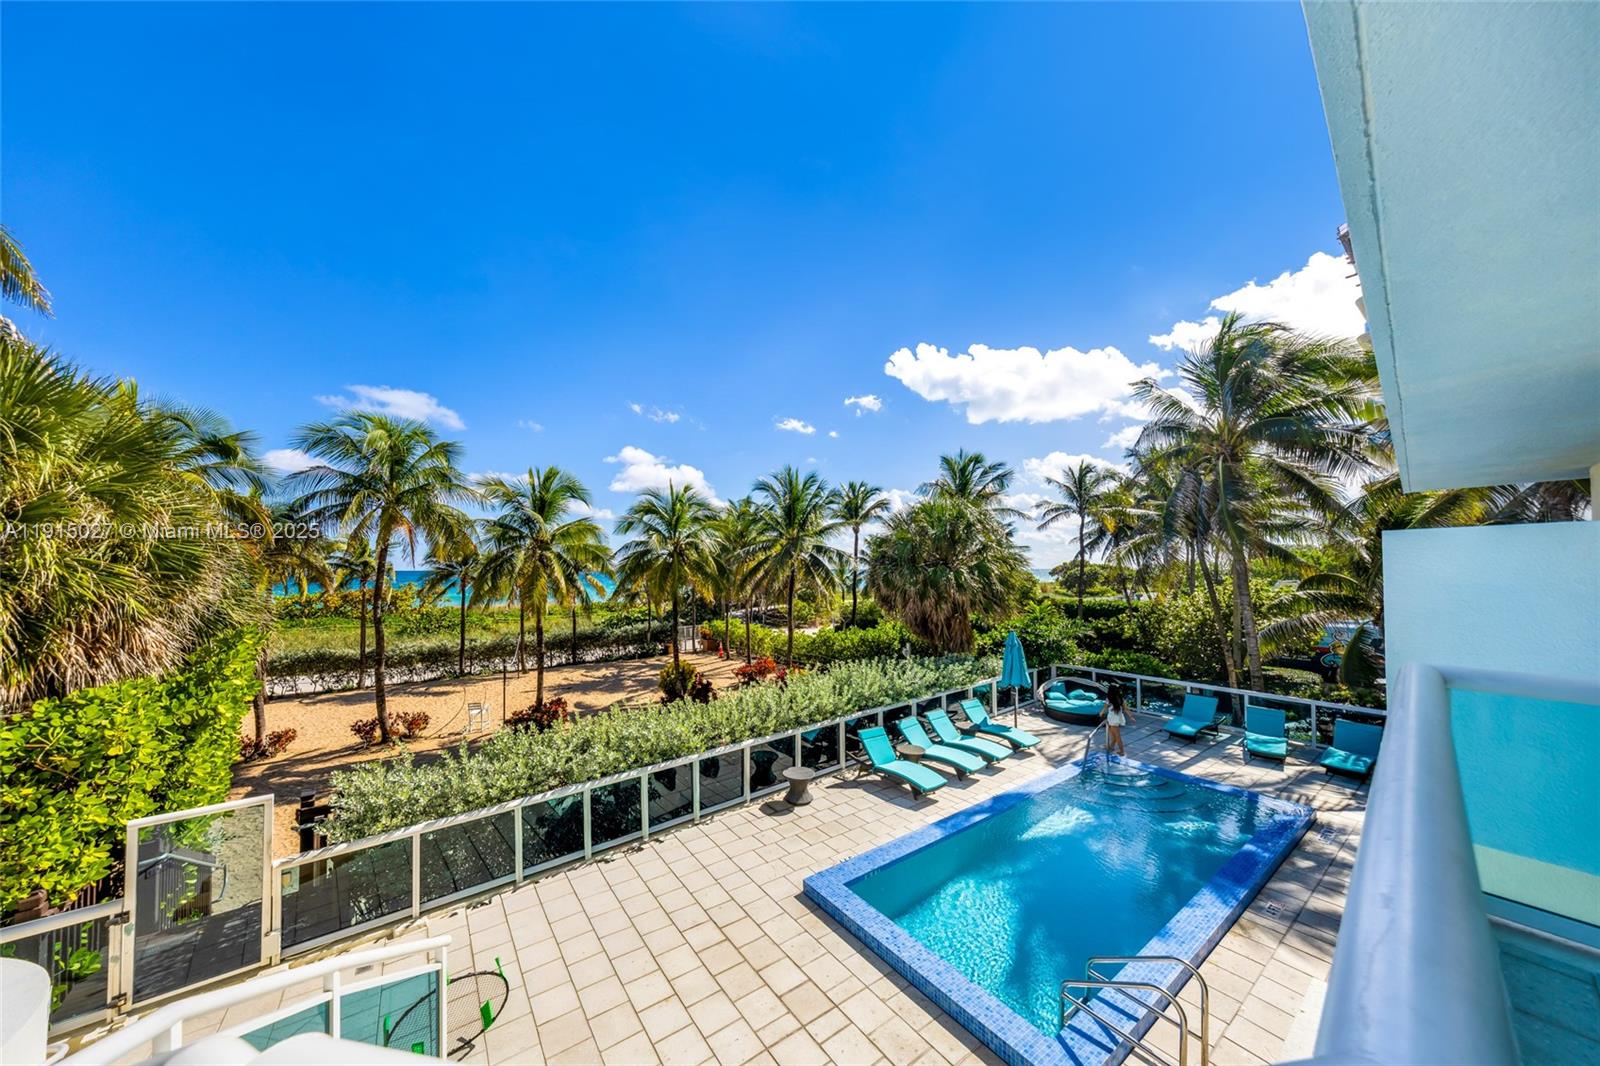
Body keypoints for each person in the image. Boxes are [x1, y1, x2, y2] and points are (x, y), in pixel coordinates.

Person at [1103, 682, 1133, 756]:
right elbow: (1126, 709)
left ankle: (1122, 751)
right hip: (1117, 718)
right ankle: (1111, 747)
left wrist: (1100, 714)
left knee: (1117, 736)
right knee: (1113, 735)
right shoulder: (1120, 698)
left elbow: (1104, 708)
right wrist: (1131, 716)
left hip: (1112, 719)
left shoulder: (1109, 699)